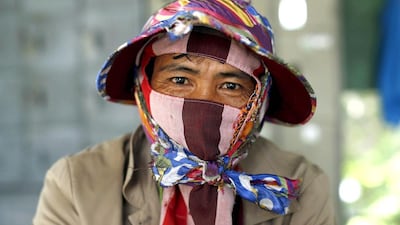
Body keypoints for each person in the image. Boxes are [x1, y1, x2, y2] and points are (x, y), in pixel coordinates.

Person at [33, 0, 336, 224]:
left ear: (259, 101)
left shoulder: (302, 185)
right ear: (143, 87)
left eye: (231, 86)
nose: (203, 100)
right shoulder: (76, 183)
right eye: (180, 80)